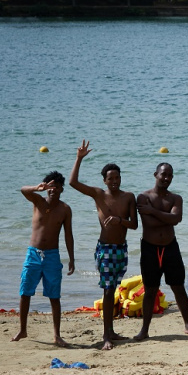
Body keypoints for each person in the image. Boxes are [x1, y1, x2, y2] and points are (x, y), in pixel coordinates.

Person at [69, 140, 137, 350]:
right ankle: (106, 336)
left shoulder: (128, 197)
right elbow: (73, 182)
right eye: (110, 178)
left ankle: (112, 331)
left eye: (117, 177)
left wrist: (120, 221)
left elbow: (134, 225)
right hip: (105, 249)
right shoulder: (99, 194)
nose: (114, 181)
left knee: (113, 289)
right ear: (105, 181)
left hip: (121, 249)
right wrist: (79, 158)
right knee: (108, 291)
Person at [134, 163, 188, 341]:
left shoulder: (176, 198)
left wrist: (153, 211)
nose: (166, 178)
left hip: (170, 246)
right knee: (150, 289)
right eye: (163, 175)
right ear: (155, 174)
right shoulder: (143, 197)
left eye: (170, 175)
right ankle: (144, 330)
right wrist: (165, 217)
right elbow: (150, 224)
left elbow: (176, 219)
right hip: (150, 247)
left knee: (178, 287)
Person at [13, 171, 75, 347]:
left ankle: (57, 335)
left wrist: (71, 258)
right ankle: (23, 330)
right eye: (49, 186)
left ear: (62, 189)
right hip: (33, 253)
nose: (52, 189)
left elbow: (68, 235)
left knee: (54, 296)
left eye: (56, 186)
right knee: (25, 292)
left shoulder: (65, 209)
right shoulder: (38, 201)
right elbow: (23, 190)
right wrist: (37, 188)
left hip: (52, 256)